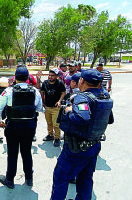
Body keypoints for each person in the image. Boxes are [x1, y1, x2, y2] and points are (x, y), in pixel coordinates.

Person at [51, 69, 114, 200]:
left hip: (76, 149)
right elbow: (110, 119)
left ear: (82, 81)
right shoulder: (104, 96)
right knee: (85, 178)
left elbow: (82, 117)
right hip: (94, 146)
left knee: (61, 177)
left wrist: (69, 111)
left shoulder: (83, 97)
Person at [0, 66, 43, 189]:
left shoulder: (8, 91)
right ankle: (29, 178)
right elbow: (39, 109)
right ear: (27, 78)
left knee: (12, 154)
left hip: (13, 126)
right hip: (29, 126)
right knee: (27, 152)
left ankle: (10, 180)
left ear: (15, 78)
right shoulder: (35, 91)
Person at [40, 68, 66, 147]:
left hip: (56, 108)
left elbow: (63, 92)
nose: (50, 77)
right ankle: (50, 135)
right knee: (49, 123)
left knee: (56, 124)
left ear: (57, 76)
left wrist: (59, 101)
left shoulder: (60, 83)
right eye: (49, 75)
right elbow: (42, 92)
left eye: (52, 75)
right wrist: (42, 102)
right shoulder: (45, 83)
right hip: (47, 107)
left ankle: (57, 138)